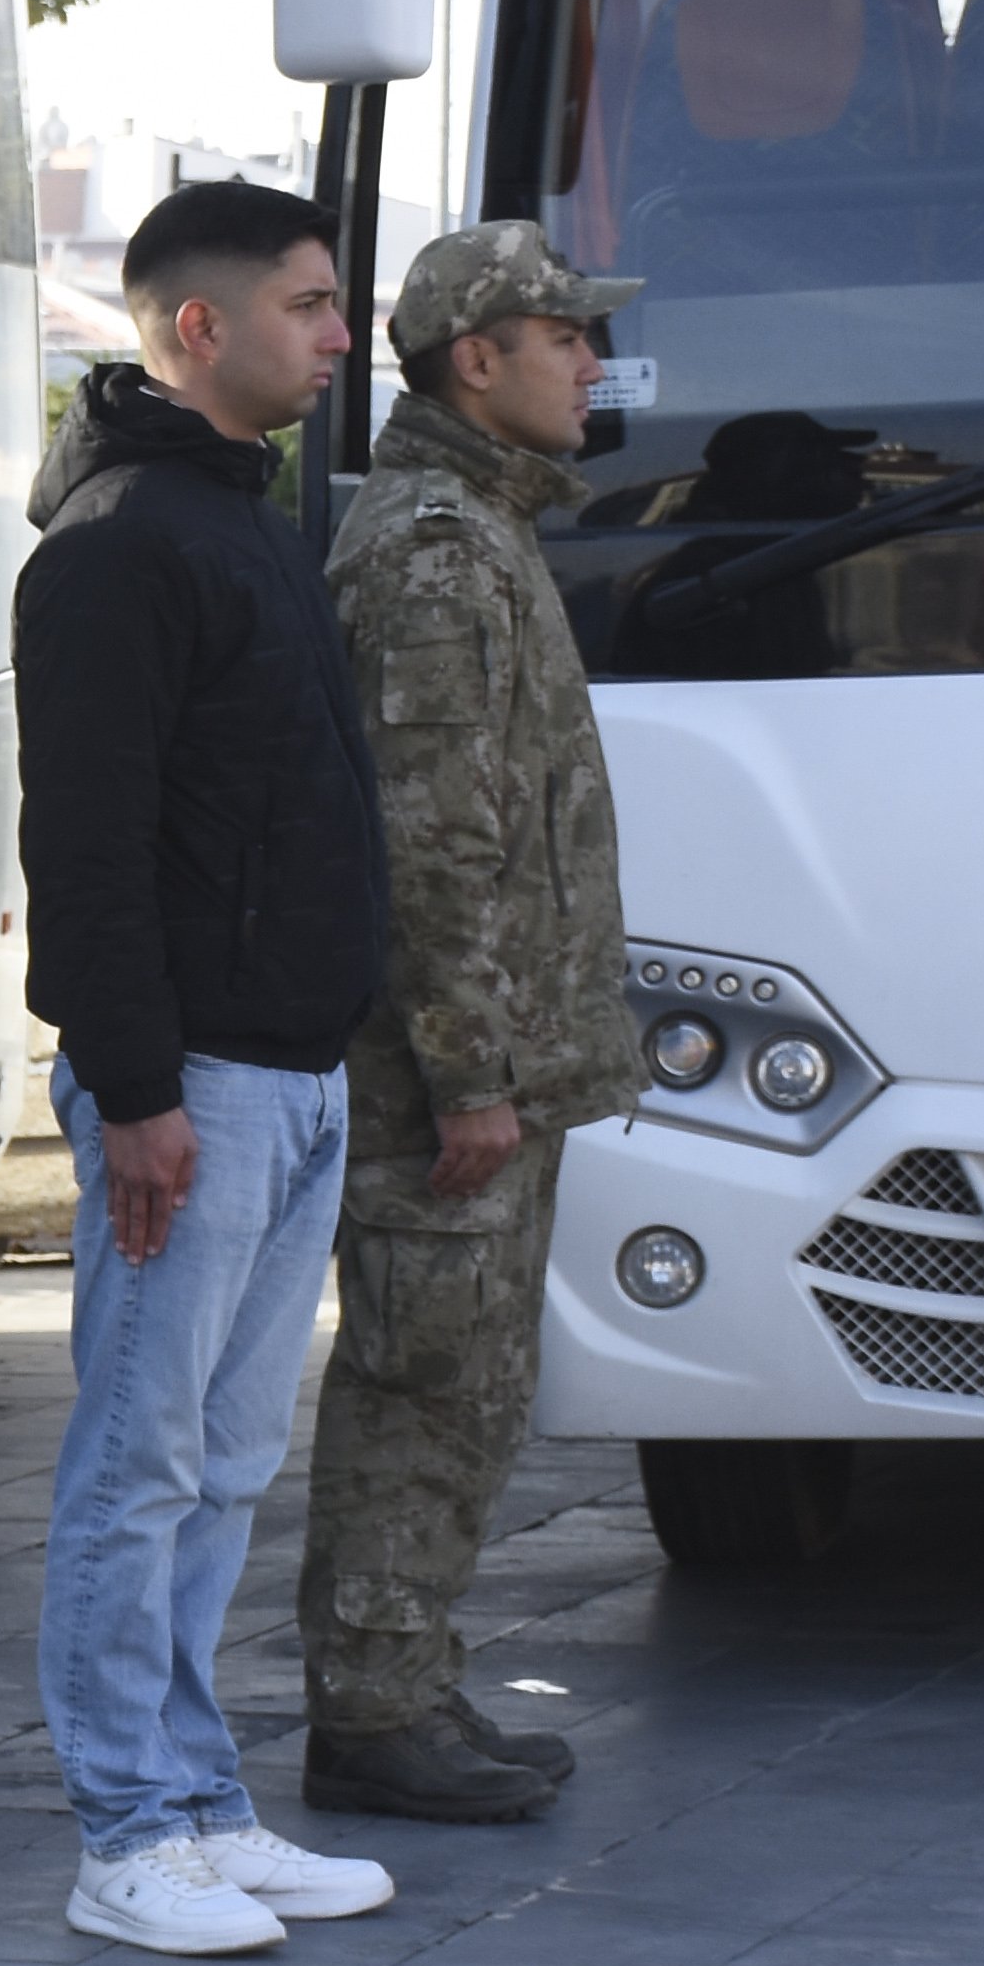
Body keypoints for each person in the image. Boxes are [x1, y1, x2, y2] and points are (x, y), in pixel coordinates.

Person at [13, 179, 405, 1958]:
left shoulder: (239, 519)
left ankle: (196, 1801)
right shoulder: (114, 547)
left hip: (286, 1071)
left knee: (225, 1457)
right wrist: (137, 1088)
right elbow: (82, 849)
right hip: (196, 1089)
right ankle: (121, 1835)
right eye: (311, 306)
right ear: (197, 326)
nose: (338, 338)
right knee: (136, 1463)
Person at [296, 223, 646, 1824]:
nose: (592, 358)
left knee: (471, 1382)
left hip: (482, 1069)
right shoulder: (439, 550)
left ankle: (411, 1682)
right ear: (472, 358)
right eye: (561, 331)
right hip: (447, 1085)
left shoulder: (479, 529)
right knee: (425, 1380)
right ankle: (373, 1710)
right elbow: (437, 849)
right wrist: (474, 1075)